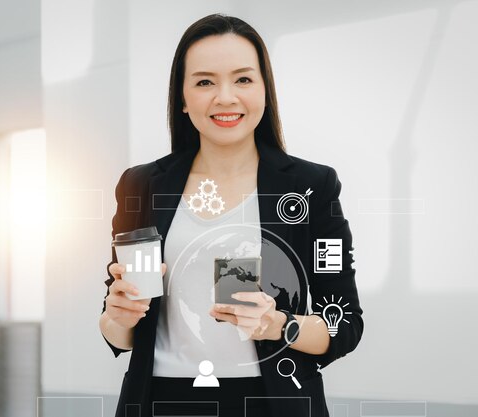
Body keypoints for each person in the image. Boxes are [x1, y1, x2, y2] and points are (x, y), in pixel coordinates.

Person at [100, 13, 364, 417]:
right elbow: (122, 333)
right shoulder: (142, 186)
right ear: (183, 98)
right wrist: (117, 316)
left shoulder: (311, 188)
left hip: (272, 401)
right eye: (205, 81)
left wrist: (278, 325)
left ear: (264, 90)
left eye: (243, 79)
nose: (225, 97)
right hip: (160, 401)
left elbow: (342, 325)